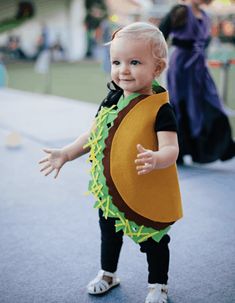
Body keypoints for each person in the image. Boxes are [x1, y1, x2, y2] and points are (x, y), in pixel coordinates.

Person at [39, 22, 183, 303]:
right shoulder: (112, 99)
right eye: (116, 62)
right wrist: (67, 153)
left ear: (157, 68)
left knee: (154, 240)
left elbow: (171, 148)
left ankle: (157, 285)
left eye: (134, 62)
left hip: (144, 191)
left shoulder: (160, 109)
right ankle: (108, 273)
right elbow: (95, 133)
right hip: (110, 191)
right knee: (109, 234)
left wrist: (157, 159)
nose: (123, 70)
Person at [159, 0, 235, 164]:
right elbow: (160, 35)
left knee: (211, 101)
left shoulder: (206, 16)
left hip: (199, 67)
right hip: (180, 66)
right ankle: (178, 151)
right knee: (181, 105)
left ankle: (217, 147)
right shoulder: (179, 11)